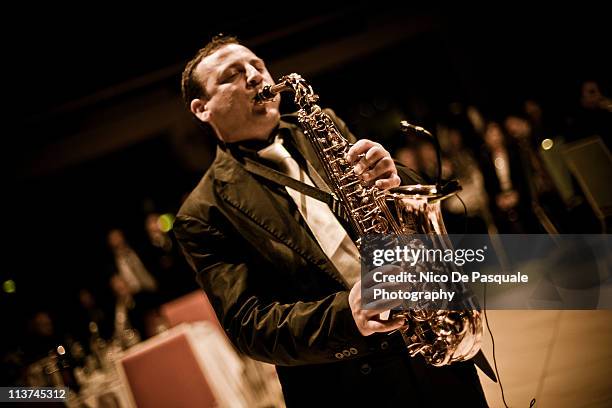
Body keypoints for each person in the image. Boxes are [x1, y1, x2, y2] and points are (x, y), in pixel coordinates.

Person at [174, 35, 488, 407]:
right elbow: (247, 326)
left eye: (257, 65)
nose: (255, 76)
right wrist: (346, 314)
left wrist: (394, 176)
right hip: (347, 387)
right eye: (232, 74)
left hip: (432, 340)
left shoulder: (323, 125)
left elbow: (386, 211)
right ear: (201, 108)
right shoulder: (201, 212)